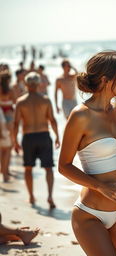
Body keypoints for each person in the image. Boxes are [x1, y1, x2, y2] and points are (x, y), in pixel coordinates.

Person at [58, 51, 116, 255]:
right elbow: (64, 166)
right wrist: (100, 186)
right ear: (106, 80)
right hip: (90, 213)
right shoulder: (81, 115)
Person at [13, 72, 60, 208]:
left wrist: (15, 141)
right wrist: (57, 136)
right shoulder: (45, 100)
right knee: (48, 168)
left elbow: (16, 124)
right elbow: (52, 120)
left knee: (28, 168)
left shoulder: (21, 101)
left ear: (26, 84)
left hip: (28, 137)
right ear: (39, 84)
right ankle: (50, 196)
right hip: (44, 136)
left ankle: (31, 196)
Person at [0, 107, 12, 182]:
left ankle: (4, 171)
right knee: (7, 151)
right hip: (2, 134)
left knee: (2, 152)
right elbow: (1, 122)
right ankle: (5, 174)